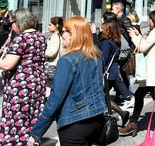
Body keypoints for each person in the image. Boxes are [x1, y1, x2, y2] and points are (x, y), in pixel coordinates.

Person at [28, 16, 108, 146]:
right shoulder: (96, 54)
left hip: (74, 123)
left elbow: (55, 99)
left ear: (73, 35)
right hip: (96, 118)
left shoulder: (67, 61)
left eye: (65, 30)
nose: (62, 33)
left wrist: (36, 133)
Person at [0, 8, 47, 145]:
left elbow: (8, 64)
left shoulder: (21, 39)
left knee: (15, 120)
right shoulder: (40, 37)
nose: (11, 26)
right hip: (37, 83)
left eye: (11, 23)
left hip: (20, 85)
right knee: (32, 116)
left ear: (19, 22)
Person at [119, 10, 155, 136]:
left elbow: (142, 48)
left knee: (154, 97)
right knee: (150, 97)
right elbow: (147, 45)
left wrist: (133, 35)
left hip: (153, 72)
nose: (149, 22)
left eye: (150, 20)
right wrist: (139, 35)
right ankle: (137, 123)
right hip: (149, 71)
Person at [96, 19, 131, 126]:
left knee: (101, 97)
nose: (101, 29)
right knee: (103, 96)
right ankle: (120, 113)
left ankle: (117, 114)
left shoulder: (106, 43)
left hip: (107, 73)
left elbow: (103, 59)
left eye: (103, 27)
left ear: (108, 29)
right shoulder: (114, 41)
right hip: (112, 72)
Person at [45, 16, 65, 83]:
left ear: (56, 26)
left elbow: (52, 52)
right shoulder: (57, 36)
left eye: (50, 25)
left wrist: (43, 51)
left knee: (49, 86)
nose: (48, 26)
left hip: (53, 65)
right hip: (55, 65)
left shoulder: (55, 37)